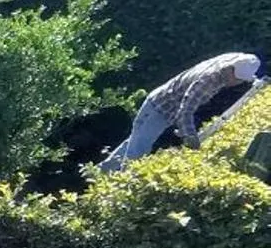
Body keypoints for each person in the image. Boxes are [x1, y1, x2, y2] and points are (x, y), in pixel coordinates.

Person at [99, 52, 264, 170]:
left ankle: (101, 172)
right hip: (161, 110)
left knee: (135, 140)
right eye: (237, 78)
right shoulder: (208, 82)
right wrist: (190, 137)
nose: (236, 82)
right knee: (139, 149)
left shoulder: (230, 59)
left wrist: (257, 83)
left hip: (156, 100)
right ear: (230, 70)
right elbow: (185, 111)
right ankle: (119, 186)